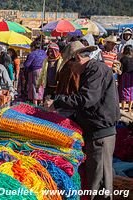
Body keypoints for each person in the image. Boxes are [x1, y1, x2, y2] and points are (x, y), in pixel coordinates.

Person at [44, 41, 120, 200]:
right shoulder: (91, 71)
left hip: (100, 135)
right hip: (95, 133)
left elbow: (86, 99)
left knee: (100, 184)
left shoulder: (95, 70)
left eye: (70, 66)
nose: (72, 70)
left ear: (77, 58)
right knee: (94, 180)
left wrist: (58, 102)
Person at [119, 45, 133, 112]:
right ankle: (129, 108)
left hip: (124, 77)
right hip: (132, 77)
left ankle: (123, 107)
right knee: (131, 92)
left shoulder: (122, 59)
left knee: (123, 91)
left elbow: (121, 69)